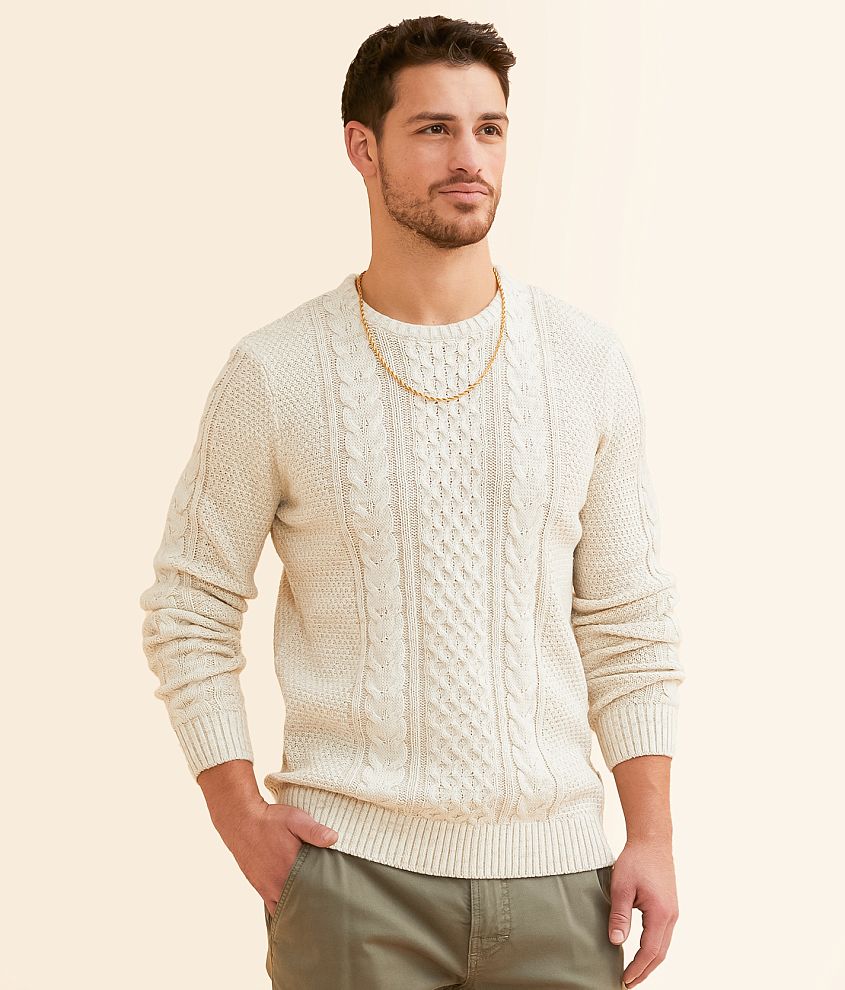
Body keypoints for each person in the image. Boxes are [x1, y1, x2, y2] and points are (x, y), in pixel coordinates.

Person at [139, 15, 684, 990]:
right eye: (433, 129)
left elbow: (626, 618)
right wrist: (238, 813)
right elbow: (189, 606)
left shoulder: (585, 364)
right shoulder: (274, 372)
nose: (468, 157)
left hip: (563, 877)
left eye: (489, 128)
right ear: (363, 147)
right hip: (352, 881)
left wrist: (651, 834)